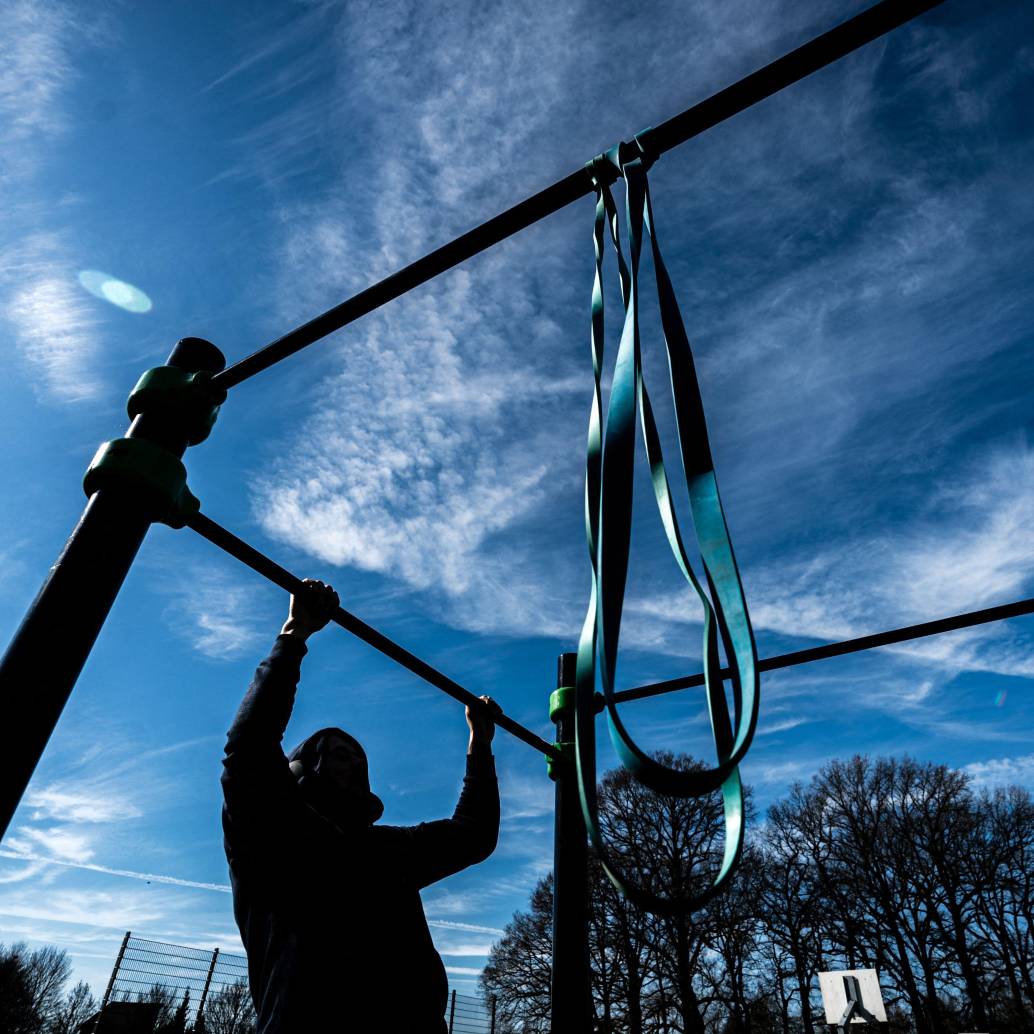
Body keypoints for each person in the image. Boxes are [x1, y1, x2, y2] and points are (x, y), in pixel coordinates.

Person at [221, 579, 501, 1033]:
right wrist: (294, 636)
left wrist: (480, 746)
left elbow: (473, 834)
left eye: (358, 758)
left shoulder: (386, 850)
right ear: (302, 770)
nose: (353, 762)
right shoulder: (275, 833)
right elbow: (249, 749)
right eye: (337, 754)